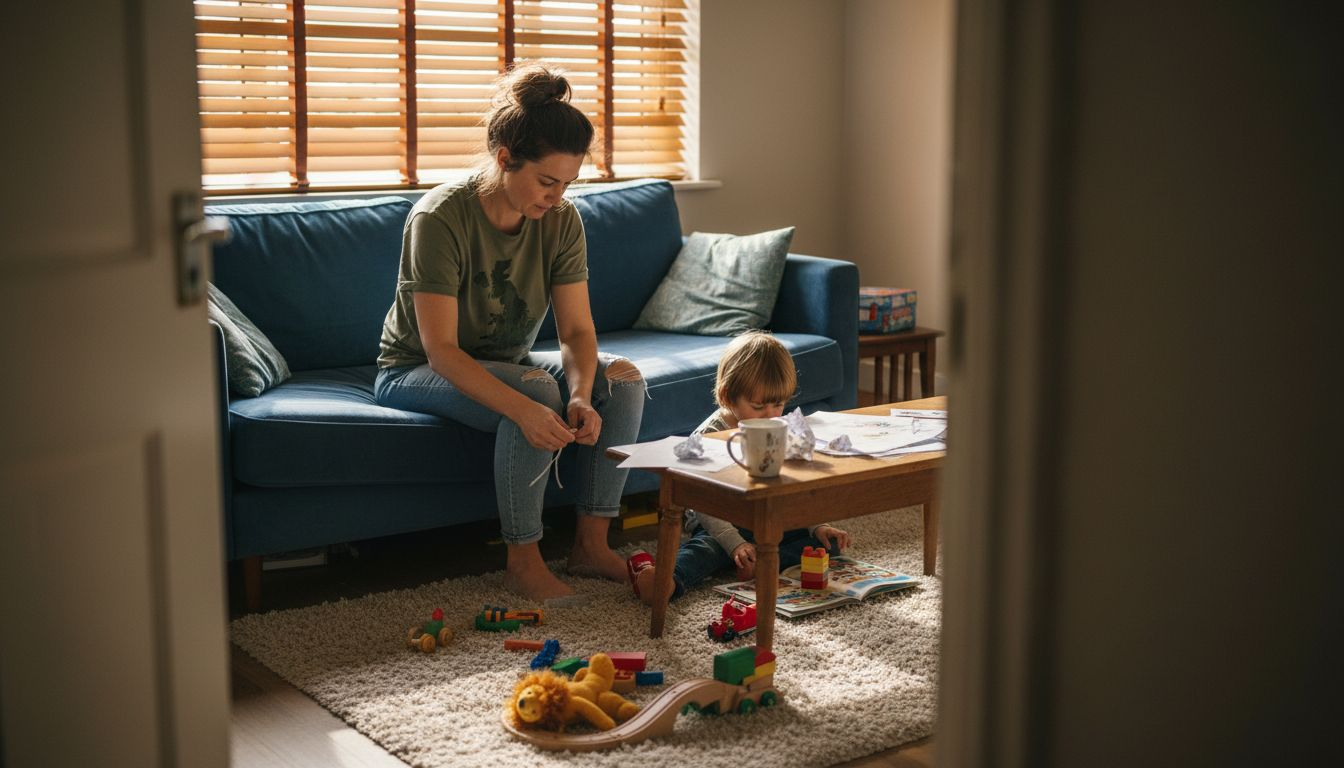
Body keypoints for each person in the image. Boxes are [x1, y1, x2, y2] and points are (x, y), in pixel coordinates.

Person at [375, 62, 646, 602]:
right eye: (547, 181)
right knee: (534, 391)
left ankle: (591, 546)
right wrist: (527, 408)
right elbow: (441, 351)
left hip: (508, 361)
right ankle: (523, 560)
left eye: (568, 183)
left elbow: (575, 329)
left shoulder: (562, 220)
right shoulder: (440, 219)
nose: (557, 196)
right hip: (415, 370)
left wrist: (581, 396)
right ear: (505, 159)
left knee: (622, 378)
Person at [629, 332, 851, 605]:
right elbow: (703, 505)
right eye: (758, 406)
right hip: (718, 520)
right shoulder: (710, 436)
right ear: (727, 397)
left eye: (779, 404)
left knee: (828, 546)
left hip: (765, 516)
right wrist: (734, 543)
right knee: (706, 551)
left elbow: (796, 483)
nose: (771, 415)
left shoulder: (780, 426)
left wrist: (819, 525)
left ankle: (760, 562)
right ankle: (665, 580)